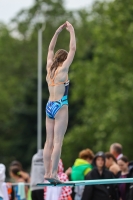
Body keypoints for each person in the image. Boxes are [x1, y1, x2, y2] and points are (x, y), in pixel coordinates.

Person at [43, 21, 76, 183]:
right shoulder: (63, 69)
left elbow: (49, 49)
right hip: (60, 105)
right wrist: (71, 31)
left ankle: (47, 172)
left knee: (48, 142)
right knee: (57, 142)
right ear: (64, 59)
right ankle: (54, 173)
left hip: (49, 105)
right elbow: (73, 49)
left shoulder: (49, 68)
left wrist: (56, 32)